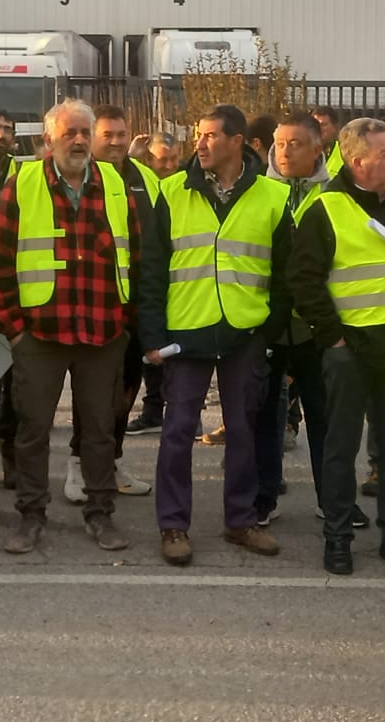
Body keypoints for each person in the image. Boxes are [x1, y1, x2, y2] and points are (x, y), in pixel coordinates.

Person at [0, 100, 138, 555]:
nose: (78, 141)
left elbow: (138, 255)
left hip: (102, 331)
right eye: (68, 133)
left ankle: (100, 514)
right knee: (32, 429)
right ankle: (31, 515)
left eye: (84, 133)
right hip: (40, 333)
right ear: (48, 140)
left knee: (98, 430)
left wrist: (126, 322)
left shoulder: (113, 183)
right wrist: (14, 328)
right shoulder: (23, 183)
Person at [140, 104, 290, 566]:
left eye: (209, 136)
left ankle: (241, 520)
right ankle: (173, 526)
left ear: (237, 141)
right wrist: (151, 335)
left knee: (244, 430)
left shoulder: (273, 196)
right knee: (178, 431)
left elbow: (285, 276)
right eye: (198, 135)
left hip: (245, 331)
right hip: (186, 331)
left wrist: (269, 330)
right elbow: (150, 270)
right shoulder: (171, 192)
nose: (200, 143)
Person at [291, 117, 385, 577]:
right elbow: (303, 281)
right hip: (350, 349)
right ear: (356, 159)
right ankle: (339, 538)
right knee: (341, 449)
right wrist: (335, 337)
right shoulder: (325, 209)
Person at [262, 112, 333, 520]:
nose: (285, 152)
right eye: (280, 143)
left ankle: (333, 501)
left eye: (296, 144)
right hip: (269, 324)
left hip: (317, 327)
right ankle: (264, 499)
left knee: (325, 417)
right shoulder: (258, 192)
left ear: (317, 149)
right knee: (267, 417)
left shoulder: (334, 195)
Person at [87, 105, 158, 491]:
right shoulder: (81, 176)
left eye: (120, 134)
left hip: (134, 307)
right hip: (91, 305)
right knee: (92, 394)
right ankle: (79, 466)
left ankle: (112, 463)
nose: (115, 142)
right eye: (107, 135)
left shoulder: (146, 178)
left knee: (126, 391)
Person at [311, 106, 344, 175]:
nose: (318, 128)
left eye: (323, 125)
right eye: (315, 124)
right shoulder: (302, 151)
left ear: (335, 127)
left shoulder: (344, 152)